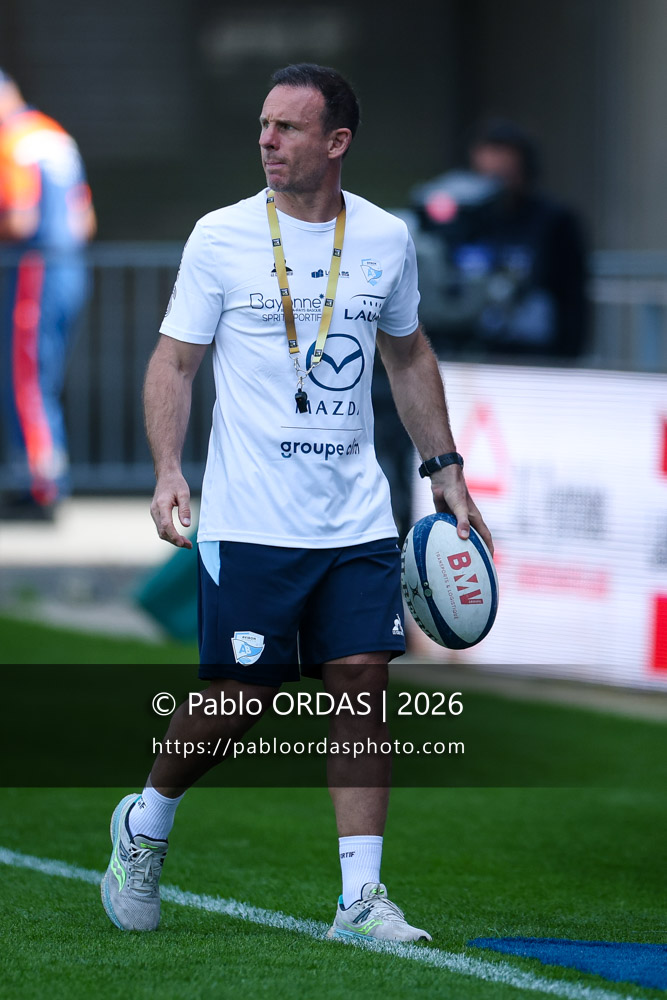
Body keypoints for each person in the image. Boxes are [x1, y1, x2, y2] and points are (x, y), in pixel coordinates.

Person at [101, 63, 492, 941]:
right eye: (264, 126)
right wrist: (168, 468)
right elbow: (174, 362)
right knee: (243, 694)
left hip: (356, 514)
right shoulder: (221, 236)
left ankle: (360, 898)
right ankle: (147, 819)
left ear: (336, 142)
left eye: (287, 128)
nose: (267, 141)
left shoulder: (386, 239)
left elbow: (407, 355)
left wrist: (444, 468)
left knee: (361, 682)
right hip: (249, 516)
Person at [0, 68, 96, 519]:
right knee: (44, 376)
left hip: (34, 269)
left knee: (26, 378)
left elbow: (19, 217)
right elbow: (85, 220)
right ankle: (43, 475)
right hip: (69, 265)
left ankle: (40, 486)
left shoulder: (13, 142)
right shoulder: (55, 135)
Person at [415, 118, 588, 360]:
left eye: (505, 174)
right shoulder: (462, 220)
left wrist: (568, 357)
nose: (494, 184)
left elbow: (572, 299)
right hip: (468, 350)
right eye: (486, 175)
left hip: (535, 353)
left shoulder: (554, 220)